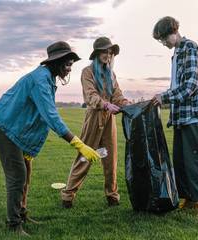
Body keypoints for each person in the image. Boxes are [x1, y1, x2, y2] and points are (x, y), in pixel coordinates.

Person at [0, 41, 100, 236]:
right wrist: (79, 144)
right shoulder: (40, 80)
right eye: (66, 63)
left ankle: (21, 212)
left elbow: (36, 116)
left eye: (71, 63)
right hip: (3, 124)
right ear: (55, 62)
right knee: (17, 175)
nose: (69, 67)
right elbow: (50, 116)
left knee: (26, 170)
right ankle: (13, 225)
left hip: (15, 127)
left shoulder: (48, 78)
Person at [152, 16, 198, 217]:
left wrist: (164, 98)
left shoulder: (189, 47)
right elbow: (176, 86)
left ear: (171, 31)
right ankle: (189, 200)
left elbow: (190, 85)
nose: (163, 44)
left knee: (196, 160)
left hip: (193, 115)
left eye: (163, 39)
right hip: (180, 117)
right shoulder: (176, 54)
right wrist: (162, 97)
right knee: (181, 161)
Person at [61, 37, 128, 208]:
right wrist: (105, 104)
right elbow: (90, 95)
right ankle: (68, 195)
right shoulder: (87, 72)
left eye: (111, 52)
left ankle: (112, 195)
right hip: (94, 118)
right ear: (97, 53)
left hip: (109, 121)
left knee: (110, 159)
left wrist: (128, 106)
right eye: (105, 51)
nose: (108, 54)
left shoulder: (111, 74)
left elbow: (117, 95)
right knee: (84, 157)